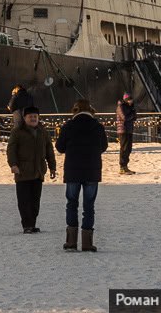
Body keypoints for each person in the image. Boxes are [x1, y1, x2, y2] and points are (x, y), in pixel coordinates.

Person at [55, 98, 109, 252]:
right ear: (91, 110)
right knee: (89, 206)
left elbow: (59, 147)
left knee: (71, 203)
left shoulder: (68, 126)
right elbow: (104, 146)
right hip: (92, 170)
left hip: (73, 170)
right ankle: (87, 243)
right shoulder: (98, 127)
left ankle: (71, 241)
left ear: (75, 110)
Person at [6, 106, 56, 234]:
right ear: (25, 118)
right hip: (22, 171)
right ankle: (26, 225)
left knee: (35, 201)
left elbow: (49, 150)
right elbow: (11, 149)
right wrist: (13, 164)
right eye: (30, 116)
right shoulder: (17, 132)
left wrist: (52, 167)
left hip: (38, 171)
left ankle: (32, 224)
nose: (33, 119)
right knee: (24, 201)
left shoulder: (42, 131)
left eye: (35, 116)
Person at [116, 92, 138, 174]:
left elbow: (133, 117)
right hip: (123, 130)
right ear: (125, 100)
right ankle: (122, 166)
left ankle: (125, 166)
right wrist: (132, 114)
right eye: (129, 100)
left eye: (131, 100)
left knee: (128, 148)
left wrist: (133, 114)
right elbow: (124, 117)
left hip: (129, 130)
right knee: (124, 148)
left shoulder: (129, 107)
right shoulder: (121, 106)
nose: (131, 101)